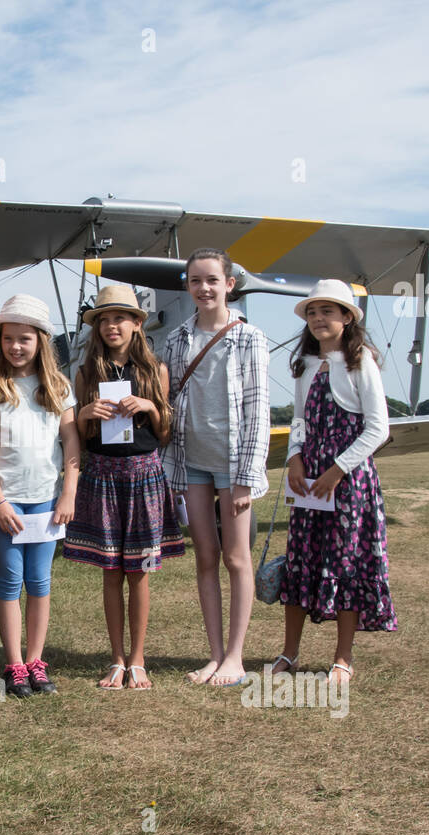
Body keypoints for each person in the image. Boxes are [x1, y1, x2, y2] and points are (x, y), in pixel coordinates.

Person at [275, 279, 396, 683]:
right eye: (312, 312)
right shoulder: (305, 366)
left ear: (347, 317)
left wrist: (338, 469)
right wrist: (294, 458)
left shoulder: (361, 362)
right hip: (309, 478)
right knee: (300, 559)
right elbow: (299, 420)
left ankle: (343, 657)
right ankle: (289, 653)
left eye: (327, 311)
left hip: (348, 482)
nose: (318, 319)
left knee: (346, 563)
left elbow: (378, 428)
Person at [65, 285, 184, 690]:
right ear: (96, 328)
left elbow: (165, 432)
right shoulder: (85, 374)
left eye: (119, 318)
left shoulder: (156, 372)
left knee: (141, 572)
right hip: (101, 476)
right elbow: (77, 436)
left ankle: (138, 660)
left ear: (137, 324)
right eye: (103, 320)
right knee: (111, 573)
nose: (111, 326)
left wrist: (151, 406)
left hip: (144, 476)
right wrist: (83, 414)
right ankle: (116, 659)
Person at [162, 249, 270, 688]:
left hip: (232, 464)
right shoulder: (175, 340)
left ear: (230, 284)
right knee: (205, 557)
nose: (203, 288)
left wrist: (246, 476)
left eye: (212, 280)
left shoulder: (249, 337)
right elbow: (168, 402)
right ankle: (213, 654)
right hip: (191, 462)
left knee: (236, 557)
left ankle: (236, 657)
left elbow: (257, 410)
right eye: (194, 281)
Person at [0, 294, 80, 698]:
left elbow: (71, 442)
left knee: (40, 581)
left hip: (47, 503)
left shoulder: (58, 387)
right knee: (10, 582)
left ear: (41, 341)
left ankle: (36, 660)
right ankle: (14, 664)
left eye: (25, 339)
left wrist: (67, 493)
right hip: (9, 503)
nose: (16, 347)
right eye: (8, 339)